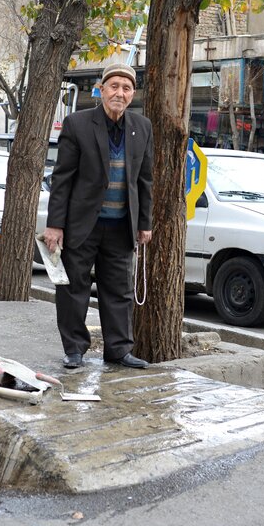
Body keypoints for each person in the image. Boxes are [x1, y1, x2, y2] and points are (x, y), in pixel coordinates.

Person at [42, 63, 154, 369]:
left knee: (118, 291)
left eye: (126, 87)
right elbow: (62, 177)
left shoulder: (142, 127)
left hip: (121, 226)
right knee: (73, 289)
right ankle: (75, 349)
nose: (120, 92)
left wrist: (145, 223)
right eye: (114, 86)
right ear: (101, 90)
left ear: (133, 93)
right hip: (82, 224)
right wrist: (54, 225)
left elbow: (144, 180)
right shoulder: (78, 124)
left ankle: (118, 349)